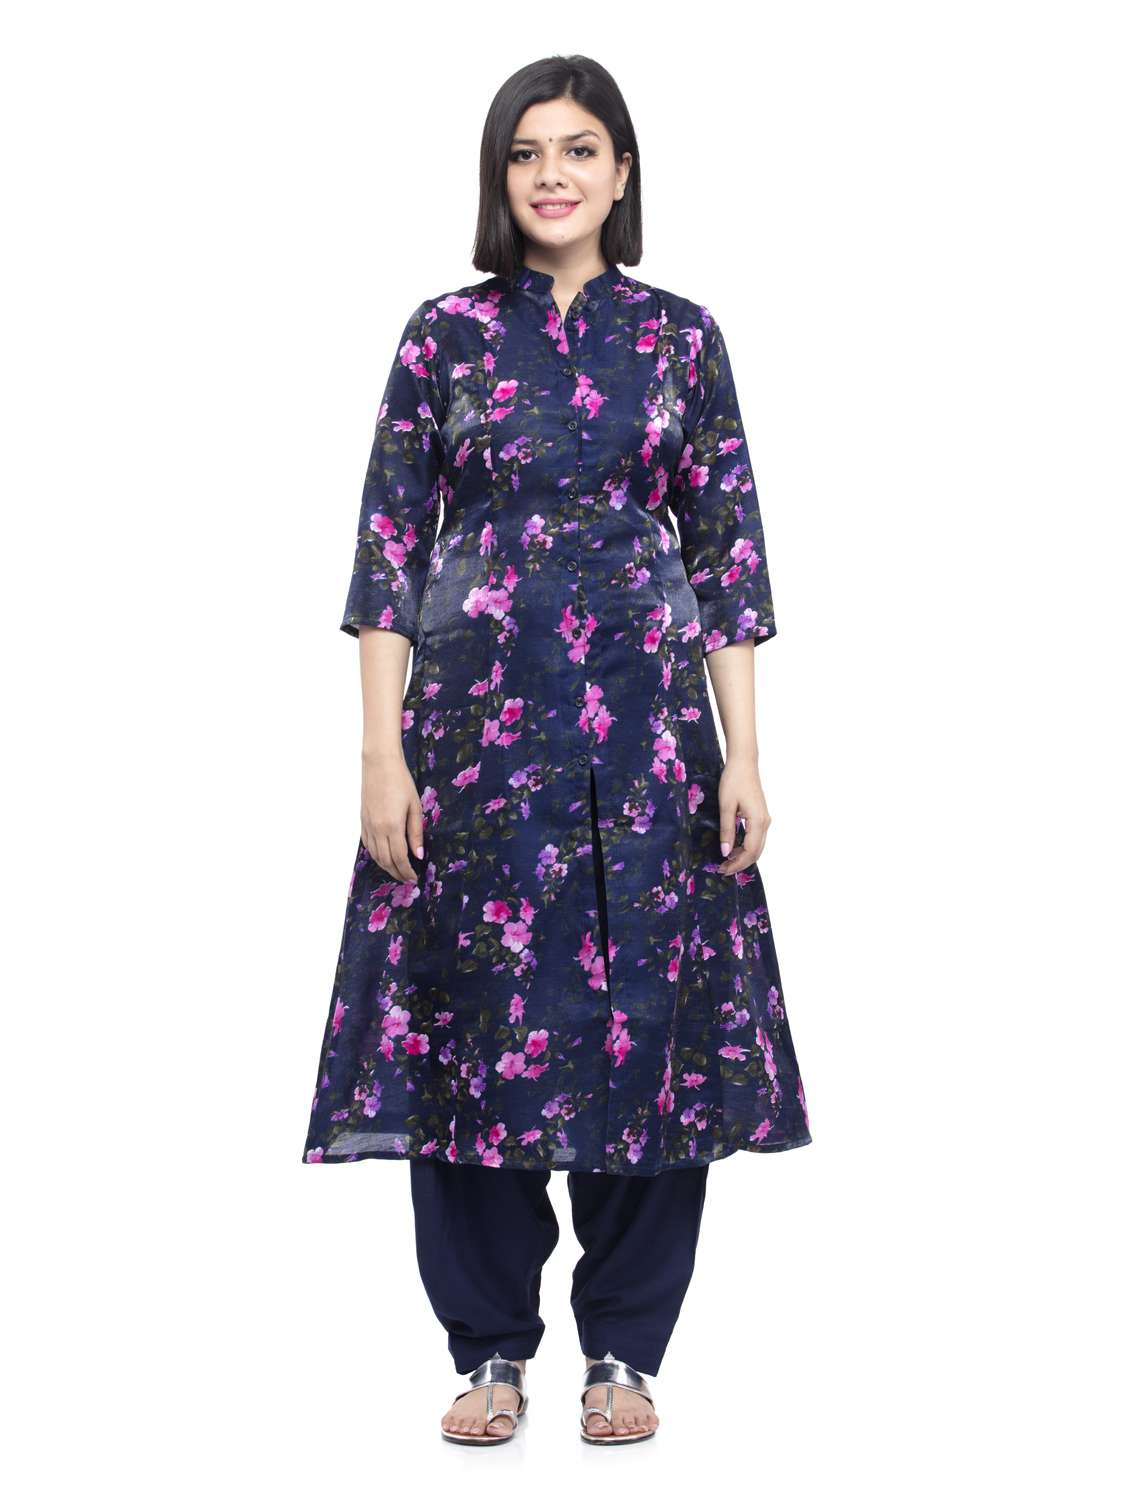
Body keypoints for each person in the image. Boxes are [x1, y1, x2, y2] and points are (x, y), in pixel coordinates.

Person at [301, 54, 813, 1446]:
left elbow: (728, 554)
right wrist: (380, 758)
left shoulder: (681, 338)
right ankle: (488, 1351)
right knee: (471, 1024)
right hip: (473, 738)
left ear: (621, 171)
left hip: (650, 740)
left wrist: (743, 754)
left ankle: (625, 1354)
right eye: (527, 152)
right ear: (499, 175)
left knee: (650, 1023)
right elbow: (388, 555)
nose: (552, 175)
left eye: (580, 149)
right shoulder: (444, 337)